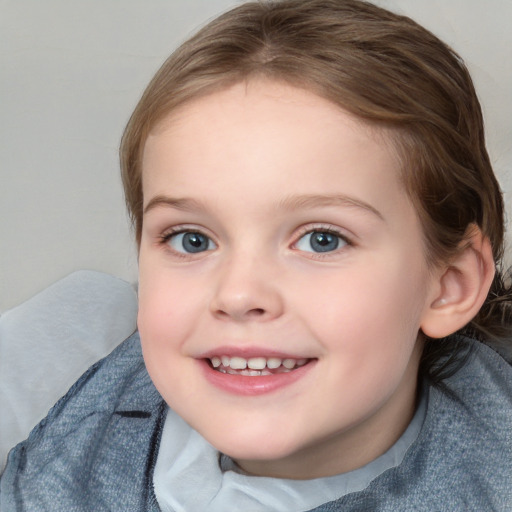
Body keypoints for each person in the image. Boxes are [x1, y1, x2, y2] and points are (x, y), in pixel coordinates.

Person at [2, 0, 511, 510]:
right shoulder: (67, 369)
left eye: (321, 240)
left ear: (450, 285)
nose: (238, 293)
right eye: (191, 239)